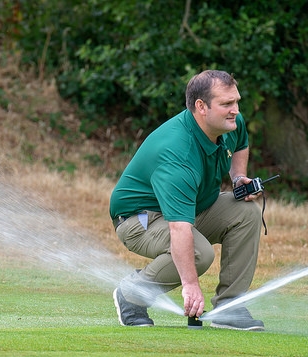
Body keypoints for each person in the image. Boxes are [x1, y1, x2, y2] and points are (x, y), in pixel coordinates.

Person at [109, 70, 264, 331]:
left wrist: (239, 177)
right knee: (197, 254)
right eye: (226, 104)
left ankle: (230, 307)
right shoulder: (177, 154)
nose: (235, 109)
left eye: (236, 101)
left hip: (192, 209)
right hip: (139, 219)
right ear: (201, 107)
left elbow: (241, 143)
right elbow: (179, 228)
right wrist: (191, 287)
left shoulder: (230, 123)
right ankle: (132, 293)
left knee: (246, 212)